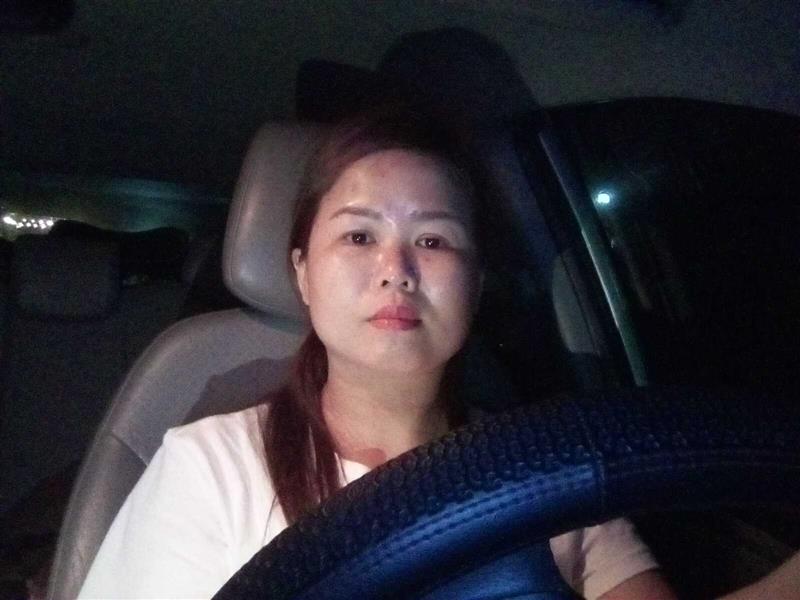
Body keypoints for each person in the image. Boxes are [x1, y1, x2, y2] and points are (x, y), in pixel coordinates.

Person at [77, 108, 793, 600]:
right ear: (302, 273)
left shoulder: (541, 470)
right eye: (359, 236)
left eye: (433, 239)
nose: (396, 270)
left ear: (475, 283)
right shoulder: (209, 468)